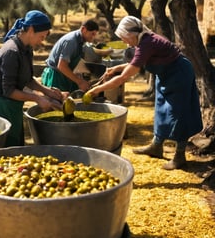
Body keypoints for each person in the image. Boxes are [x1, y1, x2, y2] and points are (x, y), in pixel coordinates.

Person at [86, 15, 203, 170]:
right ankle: (156, 146)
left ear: (133, 34)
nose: (125, 42)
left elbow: (124, 77)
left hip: (179, 74)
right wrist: (115, 68)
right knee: (161, 110)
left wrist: (97, 89)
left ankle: (179, 156)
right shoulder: (143, 41)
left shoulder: (147, 43)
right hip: (166, 76)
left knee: (178, 114)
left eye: (125, 38)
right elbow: (134, 64)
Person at [0, 10, 64, 147]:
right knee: (2, 151)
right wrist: (37, 98)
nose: (42, 41)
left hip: (13, 106)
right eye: (41, 37)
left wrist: (47, 91)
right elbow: (9, 91)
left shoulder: (26, 49)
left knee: (15, 147)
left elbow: (27, 79)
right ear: (31, 30)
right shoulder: (11, 52)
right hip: (0, 106)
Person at [41, 19, 100, 92]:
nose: (93, 37)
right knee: (55, 102)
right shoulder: (71, 41)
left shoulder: (80, 41)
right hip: (56, 77)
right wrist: (80, 82)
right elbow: (61, 66)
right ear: (83, 29)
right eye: (92, 34)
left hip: (65, 75)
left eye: (95, 35)